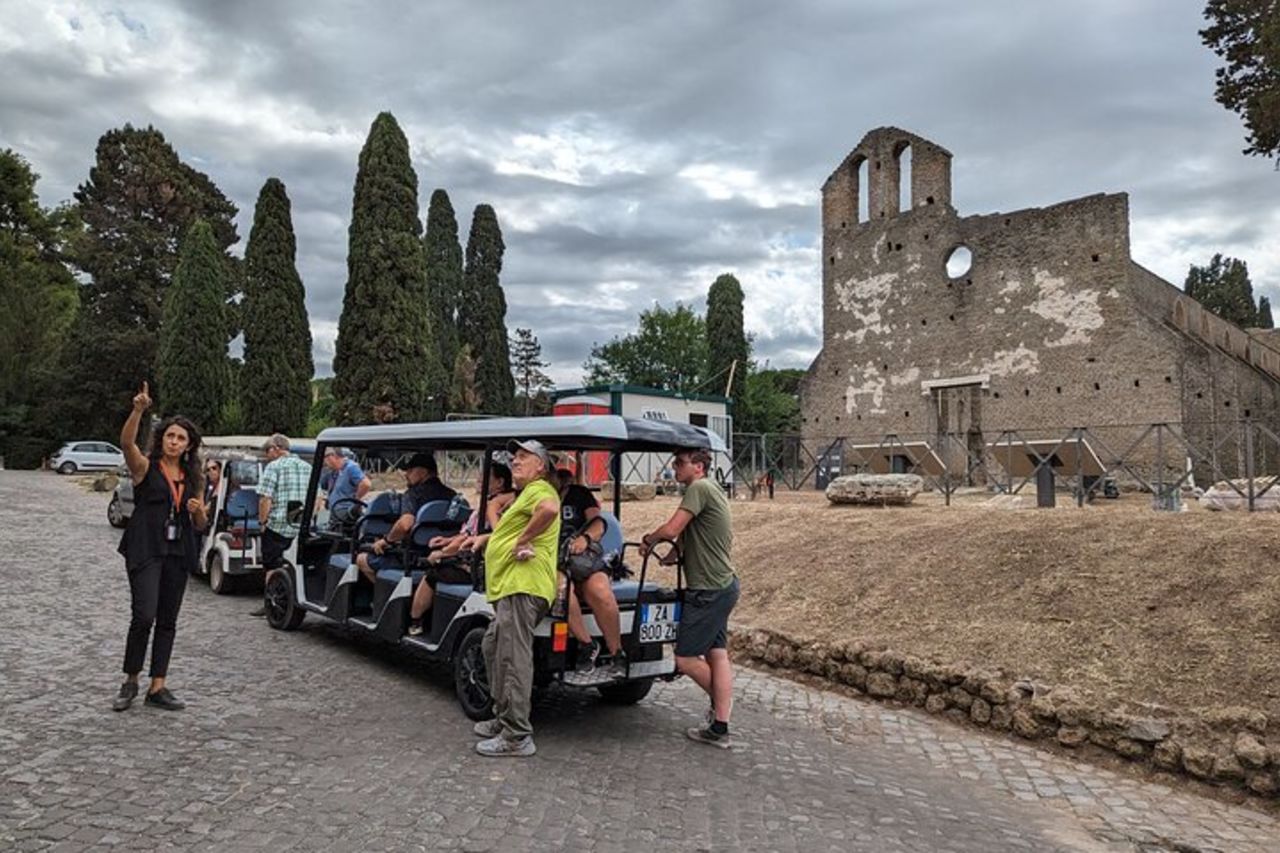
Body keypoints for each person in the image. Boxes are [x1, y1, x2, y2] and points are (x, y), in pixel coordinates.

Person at [112, 382, 208, 712]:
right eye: (170, 436)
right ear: (162, 438)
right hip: (145, 548)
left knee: (168, 619)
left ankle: (158, 686)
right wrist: (139, 410)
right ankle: (131, 680)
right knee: (144, 615)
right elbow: (126, 443)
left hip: (178, 551)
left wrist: (199, 512)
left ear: (188, 445)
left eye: (181, 438)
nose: (174, 441)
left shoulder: (194, 477)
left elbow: (200, 525)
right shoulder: (145, 468)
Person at [640, 447, 740, 748]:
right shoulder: (712, 490)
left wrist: (649, 540)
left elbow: (673, 528)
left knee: (685, 658)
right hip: (724, 585)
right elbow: (689, 536)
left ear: (699, 467)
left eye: (681, 463)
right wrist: (671, 556)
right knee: (717, 653)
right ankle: (719, 724)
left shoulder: (698, 488)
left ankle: (722, 709)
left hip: (708, 590)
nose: (675, 468)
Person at [473, 439, 560, 757]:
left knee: (512, 657)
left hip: (522, 587)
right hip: (511, 588)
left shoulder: (540, 491)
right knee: (493, 645)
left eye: (523, 456)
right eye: (514, 457)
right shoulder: (527, 494)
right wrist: (490, 539)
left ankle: (516, 735)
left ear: (541, 465)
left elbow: (549, 510)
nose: (515, 461)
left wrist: (523, 539)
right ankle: (503, 716)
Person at [407, 462, 513, 636]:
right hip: (478, 559)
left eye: (484, 476)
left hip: (479, 566)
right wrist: (447, 539)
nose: (479, 480)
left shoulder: (494, 507)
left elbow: (469, 539)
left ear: (499, 482)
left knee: (432, 574)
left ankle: (415, 621)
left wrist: (441, 553)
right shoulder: (498, 501)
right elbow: (467, 532)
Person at [555, 468, 624, 677]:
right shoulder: (534, 494)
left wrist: (585, 538)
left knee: (601, 589)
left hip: (581, 557)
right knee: (563, 590)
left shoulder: (579, 494)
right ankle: (587, 645)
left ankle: (617, 653)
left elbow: (598, 523)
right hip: (553, 561)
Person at [355, 451, 456, 584]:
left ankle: (385, 600)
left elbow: (405, 524)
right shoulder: (451, 495)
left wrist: (386, 541)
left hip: (413, 557)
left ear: (423, 472)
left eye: (410, 470)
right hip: (442, 553)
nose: (406, 474)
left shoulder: (413, 495)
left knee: (361, 559)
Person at [252, 434, 313, 617]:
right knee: (294, 566)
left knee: (272, 565)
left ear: (277, 448)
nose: (267, 454)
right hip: (300, 525)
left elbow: (265, 498)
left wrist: (263, 522)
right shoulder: (307, 467)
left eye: (268, 450)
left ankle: (272, 602)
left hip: (277, 525)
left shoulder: (274, 467)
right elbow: (317, 497)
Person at [317, 446, 371, 526]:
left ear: (332, 456)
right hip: (334, 515)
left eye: (325, 458)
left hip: (346, 516)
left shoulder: (351, 468)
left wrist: (356, 499)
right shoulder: (333, 472)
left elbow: (366, 484)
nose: (324, 462)